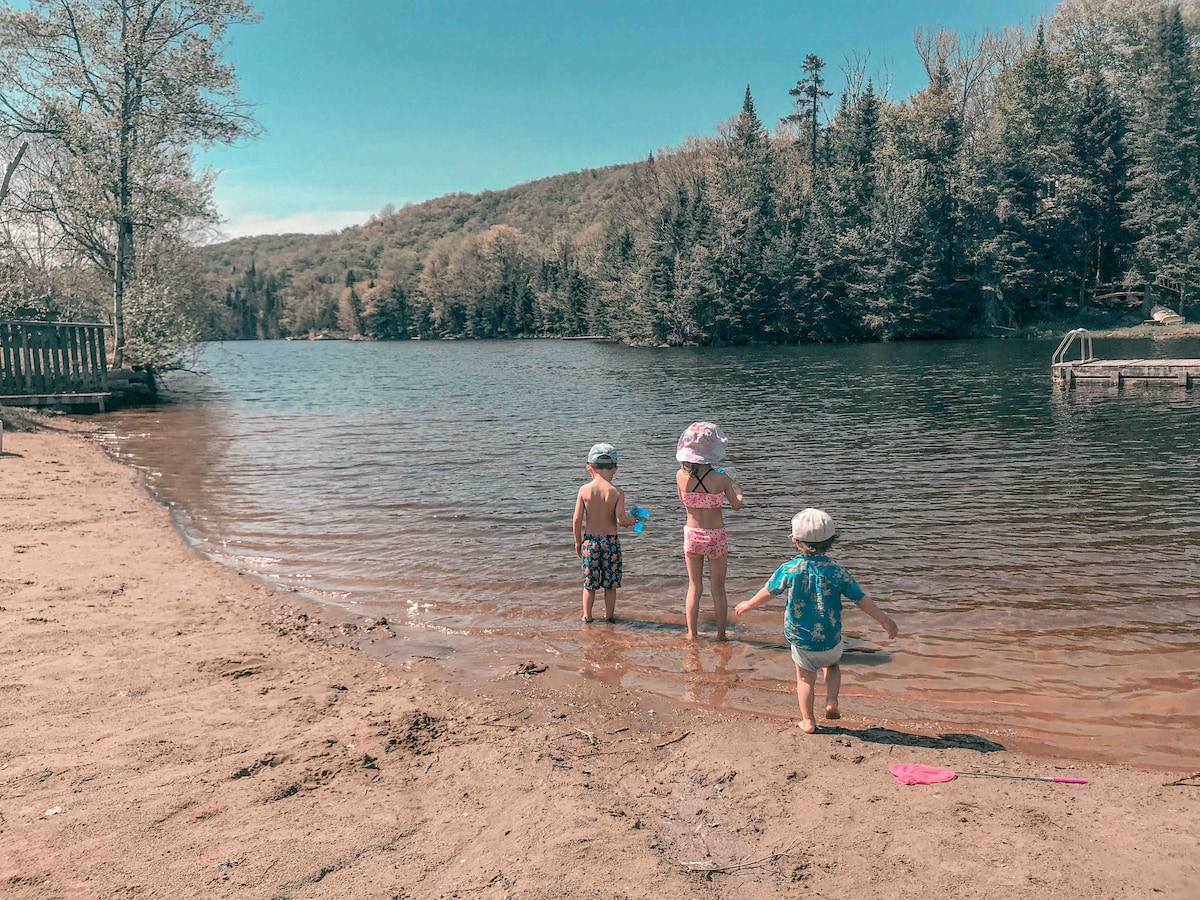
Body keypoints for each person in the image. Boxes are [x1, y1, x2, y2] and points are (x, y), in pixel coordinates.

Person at [735, 507, 898, 734]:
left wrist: (749, 604)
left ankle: (808, 721)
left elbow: (770, 590)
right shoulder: (837, 572)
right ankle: (831, 700)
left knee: (804, 679)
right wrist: (884, 619)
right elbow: (860, 598)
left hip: (801, 638)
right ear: (832, 540)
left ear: (794, 540)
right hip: (831, 636)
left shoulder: (790, 569)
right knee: (831, 666)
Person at [675, 422, 744, 640]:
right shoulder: (721, 479)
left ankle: (692, 634)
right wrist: (736, 487)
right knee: (718, 589)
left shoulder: (680, 476)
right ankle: (721, 635)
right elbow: (737, 505)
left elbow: (684, 502)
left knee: (694, 587)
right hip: (716, 536)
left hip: (692, 535)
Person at [573, 443, 635, 623]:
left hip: (590, 542)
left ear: (589, 468)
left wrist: (578, 542)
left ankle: (587, 616)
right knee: (610, 585)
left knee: (589, 584)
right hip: (610, 543)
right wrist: (635, 521)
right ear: (615, 469)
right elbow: (621, 520)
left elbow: (577, 519)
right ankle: (609, 617)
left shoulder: (584, 490)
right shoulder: (616, 492)